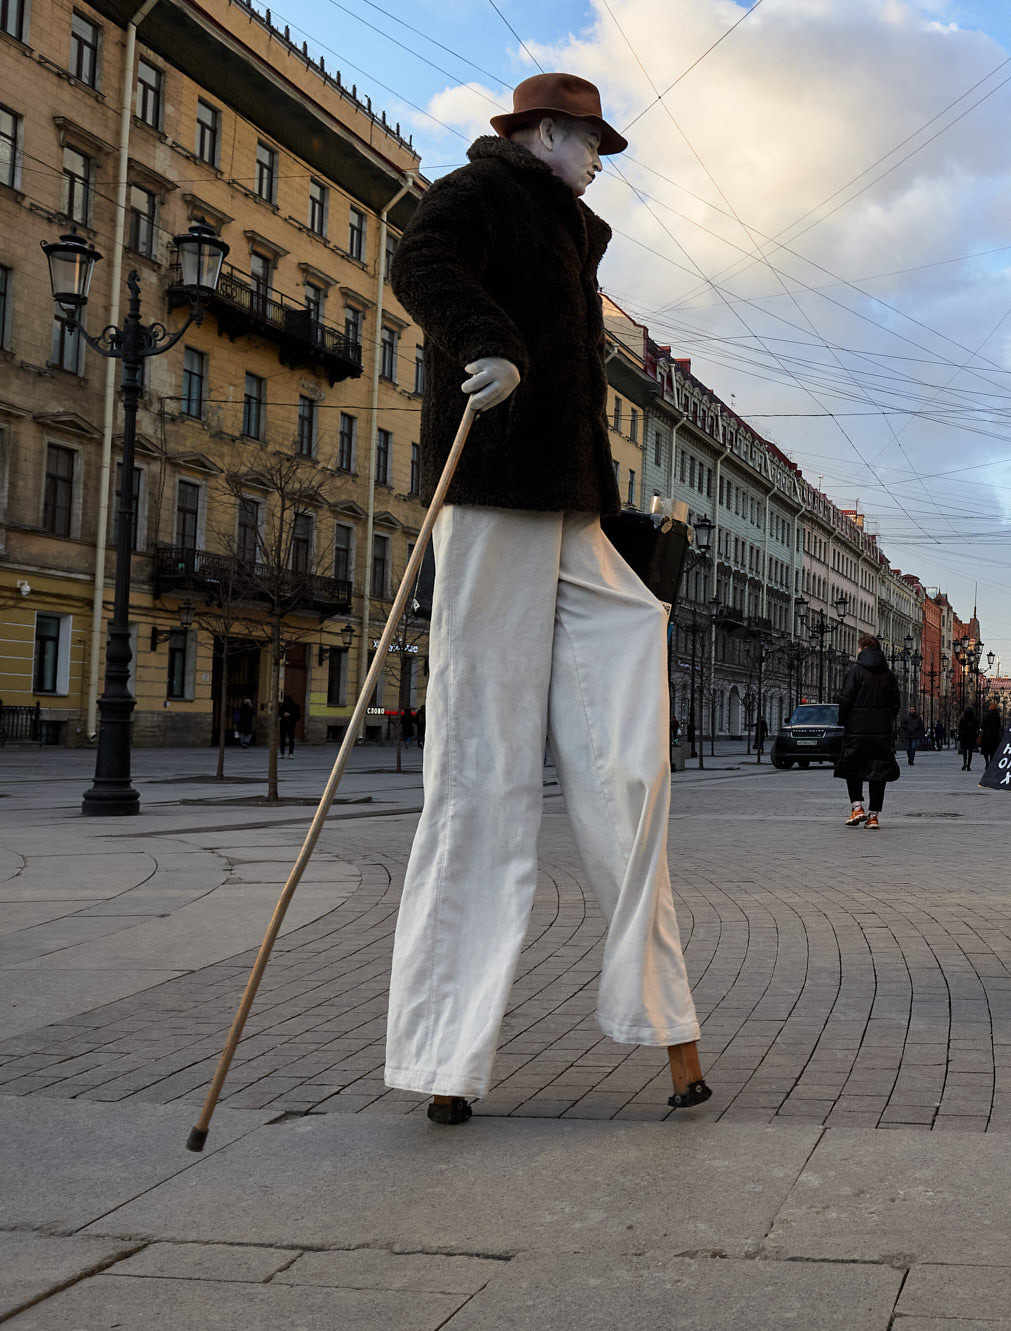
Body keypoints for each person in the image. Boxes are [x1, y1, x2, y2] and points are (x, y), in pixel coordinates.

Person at [384, 72, 708, 1127]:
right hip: (488, 497)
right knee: (477, 770)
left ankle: (664, 1015)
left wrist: (619, 524)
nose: (599, 159)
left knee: (627, 767)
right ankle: (446, 1050)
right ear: (545, 133)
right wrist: (485, 342)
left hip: (569, 509)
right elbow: (421, 263)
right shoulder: (476, 191)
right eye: (589, 142)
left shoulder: (574, 230)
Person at [836, 633, 901, 830]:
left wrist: (844, 719)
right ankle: (874, 816)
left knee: (852, 767)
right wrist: (887, 720)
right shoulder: (889, 675)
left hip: (857, 729)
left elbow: (846, 698)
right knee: (878, 771)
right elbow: (895, 703)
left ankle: (857, 807)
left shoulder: (855, 671)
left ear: (862, 649)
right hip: (881, 731)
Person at [979, 703, 1003, 772]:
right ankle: (991, 762)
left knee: (985, 751)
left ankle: (987, 761)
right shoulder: (997, 717)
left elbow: (983, 726)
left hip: (986, 736)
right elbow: (999, 727)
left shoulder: (986, 716)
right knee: (993, 751)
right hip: (995, 737)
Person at [956, 705, 980, 771]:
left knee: (964, 751)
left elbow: (959, 727)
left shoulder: (963, 718)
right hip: (971, 737)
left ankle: (965, 763)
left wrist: (960, 733)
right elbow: (977, 727)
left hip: (964, 736)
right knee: (970, 752)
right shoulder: (974, 719)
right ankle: (969, 765)